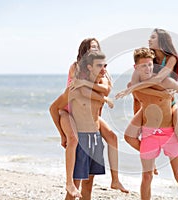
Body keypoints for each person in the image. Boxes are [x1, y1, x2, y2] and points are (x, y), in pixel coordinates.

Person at [49, 38, 127, 198]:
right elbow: (76, 91)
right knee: (73, 140)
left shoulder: (101, 75)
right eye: (92, 48)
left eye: (97, 48)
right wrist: (62, 135)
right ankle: (69, 182)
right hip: (69, 112)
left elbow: (104, 89)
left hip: (91, 128)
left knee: (111, 137)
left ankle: (115, 179)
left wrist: (102, 97)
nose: (103, 69)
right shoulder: (76, 71)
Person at [117, 47, 178, 200]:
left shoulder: (164, 81)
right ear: (136, 67)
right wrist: (137, 125)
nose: (148, 68)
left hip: (170, 134)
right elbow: (137, 104)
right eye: (144, 65)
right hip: (149, 135)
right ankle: (152, 161)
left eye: (150, 64)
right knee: (147, 177)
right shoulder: (134, 85)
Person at [116, 28, 178, 167]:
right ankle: (148, 156)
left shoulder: (171, 59)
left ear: (162, 41)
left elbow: (159, 79)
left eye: (153, 37)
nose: (149, 40)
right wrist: (134, 87)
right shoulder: (150, 59)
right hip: (150, 103)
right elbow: (135, 84)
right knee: (129, 136)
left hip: (170, 103)